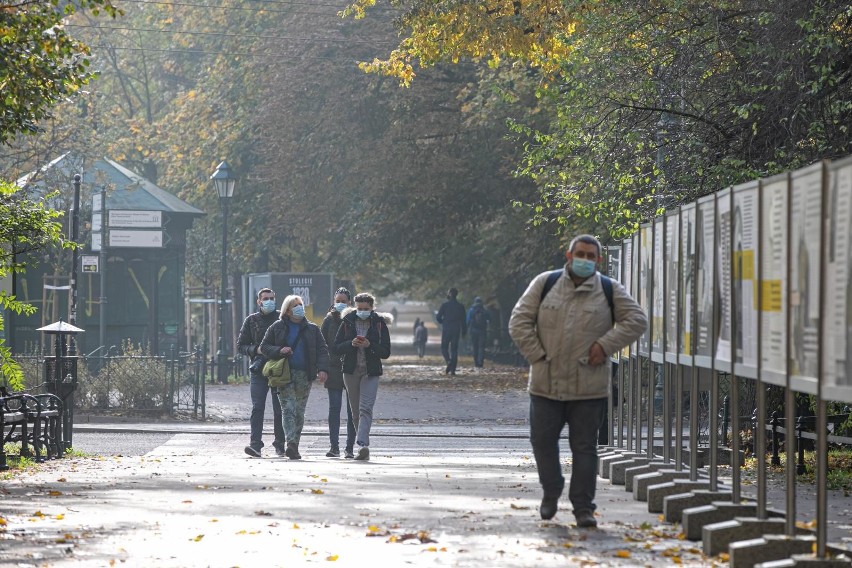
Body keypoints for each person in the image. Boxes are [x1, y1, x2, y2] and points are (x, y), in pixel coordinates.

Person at [508, 234, 647, 527]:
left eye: (590, 256)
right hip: (546, 384)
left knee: (585, 448)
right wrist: (537, 355)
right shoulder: (545, 283)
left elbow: (636, 320)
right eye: (580, 254)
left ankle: (583, 507)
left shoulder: (609, 289)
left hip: (589, 387)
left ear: (598, 260)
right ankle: (551, 489)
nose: (585, 259)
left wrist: (606, 345)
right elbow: (519, 320)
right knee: (542, 442)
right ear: (569, 257)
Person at [259, 295, 329, 460]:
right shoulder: (277, 327)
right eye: (295, 305)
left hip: (305, 375)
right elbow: (264, 347)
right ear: (288, 310)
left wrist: (323, 369)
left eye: (300, 304)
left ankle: (294, 444)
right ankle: (291, 443)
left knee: (299, 410)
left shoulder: (312, 329)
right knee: (288, 409)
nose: (299, 308)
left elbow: (322, 349)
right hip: (285, 374)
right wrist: (279, 350)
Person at [334, 292, 392, 461]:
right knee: (355, 411)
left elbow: (386, 352)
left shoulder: (379, 324)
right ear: (355, 306)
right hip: (351, 371)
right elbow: (336, 347)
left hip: (370, 371)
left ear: (372, 308)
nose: (362, 311)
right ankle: (361, 443)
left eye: (366, 309)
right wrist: (350, 344)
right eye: (359, 308)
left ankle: (363, 445)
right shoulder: (347, 321)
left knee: (365, 407)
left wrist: (370, 345)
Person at [237, 287, 286, 458]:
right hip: (258, 370)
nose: (269, 301)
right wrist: (255, 350)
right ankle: (255, 445)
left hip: (278, 369)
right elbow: (240, 346)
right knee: (257, 407)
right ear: (259, 301)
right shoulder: (251, 320)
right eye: (265, 298)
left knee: (279, 408)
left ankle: (280, 445)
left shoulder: (282, 318)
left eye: (271, 298)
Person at [320, 287, 357, 458]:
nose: (341, 304)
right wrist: (322, 368)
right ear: (334, 302)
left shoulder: (355, 320)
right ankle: (334, 446)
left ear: (350, 302)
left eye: (344, 301)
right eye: (338, 301)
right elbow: (322, 345)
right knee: (334, 408)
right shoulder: (328, 321)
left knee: (352, 410)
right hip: (333, 369)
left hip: (352, 369)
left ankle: (349, 448)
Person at [436, 287, 467, 375]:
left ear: (449, 294)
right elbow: (463, 320)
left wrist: (443, 322)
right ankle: (453, 370)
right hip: (456, 330)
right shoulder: (460, 306)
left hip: (447, 329)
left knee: (444, 347)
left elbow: (438, 317)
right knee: (454, 350)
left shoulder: (445, 305)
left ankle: (448, 361)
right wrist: (464, 331)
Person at [466, 296, 490, 370]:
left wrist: (466, 329)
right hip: (482, 331)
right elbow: (490, 319)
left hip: (473, 331)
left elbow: (467, 321)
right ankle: (481, 362)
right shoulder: (484, 310)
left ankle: (476, 362)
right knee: (481, 347)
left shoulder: (471, 310)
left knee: (475, 347)